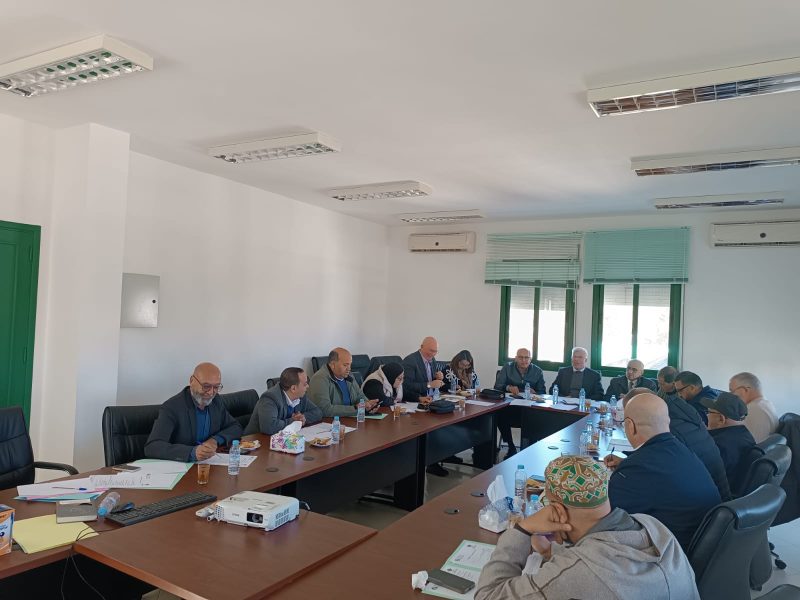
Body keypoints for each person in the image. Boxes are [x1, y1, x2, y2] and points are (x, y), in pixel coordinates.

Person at [475, 455, 700, 600]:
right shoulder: (654, 526)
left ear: (558, 510)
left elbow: (488, 595)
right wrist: (551, 552)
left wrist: (522, 530)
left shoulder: (578, 572)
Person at [604, 393, 721, 550]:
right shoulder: (682, 450)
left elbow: (607, 518)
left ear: (630, 426)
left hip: (670, 554)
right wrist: (626, 464)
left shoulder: (637, 468)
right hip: (703, 545)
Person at [625, 386, 731, 501]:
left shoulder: (668, 430)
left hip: (706, 504)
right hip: (716, 497)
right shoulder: (679, 412)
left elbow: (654, 467)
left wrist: (626, 467)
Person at [145, 362, 242, 462]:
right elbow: (152, 446)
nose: (211, 392)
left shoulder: (216, 401)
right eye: (206, 386)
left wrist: (215, 440)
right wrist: (192, 452)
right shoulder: (172, 407)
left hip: (209, 463)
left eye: (216, 387)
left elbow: (235, 427)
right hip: (182, 466)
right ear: (192, 381)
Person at [494, 348, 545, 458]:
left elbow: (543, 392)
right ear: (516, 358)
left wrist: (535, 392)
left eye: (526, 357)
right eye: (521, 357)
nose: (524, 360)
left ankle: (528, 451)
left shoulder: (537, 371)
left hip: (529, 409)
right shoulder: (507, 367)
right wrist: (509, 387)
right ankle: (511, 447)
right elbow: (497, 386)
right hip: (510, 407)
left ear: (530, 359)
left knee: (535, 419)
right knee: (499, 416)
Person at [703, 392, 757, 494]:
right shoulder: (746, 435)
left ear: (721, 419)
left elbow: (704, 477)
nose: (707, 415)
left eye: (708, 412)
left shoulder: (718, 445)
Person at [244, 367, 322, 435]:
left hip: (282, 439)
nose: (308, 386)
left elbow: (318, 412)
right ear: (293, 388)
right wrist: (294, 421)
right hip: (255, 442)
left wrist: (303, 418)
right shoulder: (269, 398)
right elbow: (269, 427)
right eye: (305, 384)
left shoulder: (300, 396)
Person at [307, 348, 380, 417]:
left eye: (350, 364)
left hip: (350, 420)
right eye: (345, 365)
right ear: (332, 365)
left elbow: (360, 396)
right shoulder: (319, 379)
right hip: (331, 422)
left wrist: (369, 405)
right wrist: (355, 408)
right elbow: (324, 409)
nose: (349, 369)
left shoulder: (349, 376)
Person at [729, 372, 779, 443]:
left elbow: (750, 444)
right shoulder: (766, 404)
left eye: (732, 391)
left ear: (745, 390)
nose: (732, 396)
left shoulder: (754, 409)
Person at [402, 336, 444, 402]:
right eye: (431, 350)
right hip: (418, 400)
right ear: (422, 347)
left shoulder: (433, 359)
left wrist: (438, 378)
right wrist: (429, 385)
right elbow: (407, 385)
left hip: (433, 398)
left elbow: (431, 381)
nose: (433, 354)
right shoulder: (410, 361)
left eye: (435, 351)